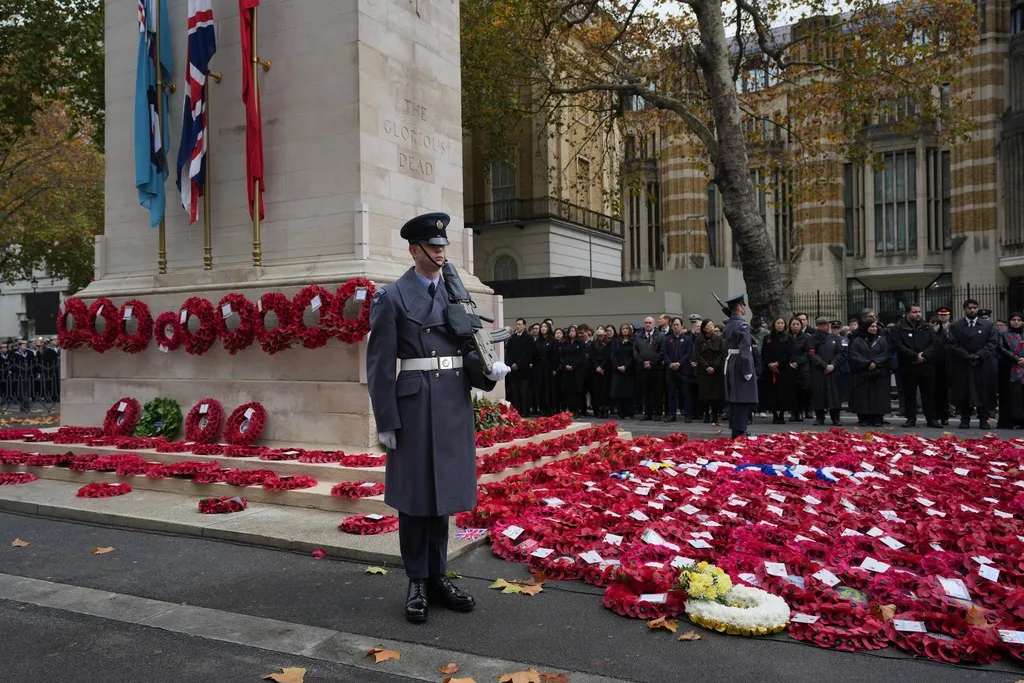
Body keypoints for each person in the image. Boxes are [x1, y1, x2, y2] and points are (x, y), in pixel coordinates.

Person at [366, 212, 509, 624]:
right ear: (415, 250)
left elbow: (468, 348)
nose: (442, 251)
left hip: (450, 403)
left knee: (442, 495)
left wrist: (487, 371)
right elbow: (379, 367)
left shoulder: (454, 295)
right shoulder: (391, 297)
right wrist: (387, 421)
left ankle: (437, 577)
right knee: (415, 501)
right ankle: (416, 580)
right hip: (413, 406)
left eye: (444, 245)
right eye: (434, 245)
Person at [947, 298, 999, 429]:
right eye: (969, 308)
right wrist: (967, 356)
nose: (972, 310)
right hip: (964, 363)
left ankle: (983, 419)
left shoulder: (988, 325)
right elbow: (953, 344)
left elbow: (992, 343)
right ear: (965, 309)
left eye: (975, 307)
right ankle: (965, 419)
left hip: (982, 364)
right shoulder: (956, 326)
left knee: (984, 391)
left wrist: (978, 355)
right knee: (965, 392)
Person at [891, 303, 941, 428]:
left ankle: (931, 418)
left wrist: (923, 356)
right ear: (907, 313)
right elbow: (898, 345)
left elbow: (935, 344)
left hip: (926, 365)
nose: (918, 314)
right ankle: (911, 418)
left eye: (919, 311)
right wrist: (913, 356)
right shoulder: (898, 329)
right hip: (908, 366)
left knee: (928, 394)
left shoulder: (927, 327)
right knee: (909, 394)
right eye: (914, 312)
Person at [721, 294, 758, 438]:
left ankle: (736, 429)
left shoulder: (730, 323)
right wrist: (747, 369)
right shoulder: (741, 324)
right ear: (738, 307)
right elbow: (744, 348)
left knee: (735, 398)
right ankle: (741, 430)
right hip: (741, 362)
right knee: (743, 397)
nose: (744, 308)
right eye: (743, 305)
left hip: (731, 361)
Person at [848, 320, 891, 427]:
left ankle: (877, 418)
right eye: (872, 326)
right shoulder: (857, 341)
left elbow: (886, 353)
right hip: (863, 373)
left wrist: (875, 362)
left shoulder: (882, 340)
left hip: (878, 373)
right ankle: (863, 418)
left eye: (875, 327)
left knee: (878, 396)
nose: (874, 328)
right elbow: (853, 354)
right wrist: (867, 363)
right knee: (862, 396)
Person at [808, 316, 845, 426]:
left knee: (834, 394)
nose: (827, 326)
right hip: (819, 371)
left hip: (833, 370)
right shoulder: (812, 338)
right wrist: (824, 365)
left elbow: (840, 353)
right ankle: (820, 417)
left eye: (828, 324)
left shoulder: (835, 338)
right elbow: (811, 354)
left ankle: (835, 417)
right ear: (818, 326)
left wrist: (832, 365)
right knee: (819, 393)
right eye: (824, 325)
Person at [760, 317, 793, 424]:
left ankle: (782, 414)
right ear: (774, 324)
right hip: (769, 369)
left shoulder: (788, 338)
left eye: (782, 323)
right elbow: (764, 352)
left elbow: (789, 353)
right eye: (778, 323)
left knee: (783, 392)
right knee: (771, 392)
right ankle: (774, 414)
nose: (780, 325)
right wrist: (770, 364)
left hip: (783, 369)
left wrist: (777, 363)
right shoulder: (767, 338)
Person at [633, 316, 665, 421]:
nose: (648, 324)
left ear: (654, 324)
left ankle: (658, 413)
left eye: (650, 323)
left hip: (656, 369)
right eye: (646, 322)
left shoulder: (660, 336)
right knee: (646, 392)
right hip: (643, 369)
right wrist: (643, 362)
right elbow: (635, 351)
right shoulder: (639, 336)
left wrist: (652, 363)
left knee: (657, 392)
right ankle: (648, 413)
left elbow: (661, 351)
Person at [694, 319, 725, 424]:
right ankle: (706, 414)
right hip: (704, 370)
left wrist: (714, 366)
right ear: (704, 328)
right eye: (709, 325)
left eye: (712, 325)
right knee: (704, 394)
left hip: (715, 370)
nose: (711, 327)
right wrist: (706, 366)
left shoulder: (719, 339)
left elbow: (721, 354)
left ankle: (715, 414)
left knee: (715, 394)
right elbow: (697, 355)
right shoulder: (699, 339)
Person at [663, 316, 693, 423]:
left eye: (677, 325)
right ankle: (672, 414)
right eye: (674, 325)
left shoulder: (687, 339)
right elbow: (664, 353)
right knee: (671, 394)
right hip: (671, 370)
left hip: (683, 370)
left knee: (685, 393)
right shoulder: (667, 339)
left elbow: (688, 353)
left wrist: (679, 363)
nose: (676, 327)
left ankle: (688, 415)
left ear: (681, 326)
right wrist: (670, 363)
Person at [504, 318, 533, 418]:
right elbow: (509, 353)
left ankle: (525, 411)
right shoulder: (512, 338)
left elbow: (528, 354)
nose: (518, 326)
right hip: (513, 370)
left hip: (523, 369)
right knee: (514, 392)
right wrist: (511, 363)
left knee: (524, 392)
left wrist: (518, 364)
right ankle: (517, 411)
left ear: (524, 326)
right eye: (517, 324)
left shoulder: (529, 338)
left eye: (520, 324)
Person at [1000, 313, 1024, 428]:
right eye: (1013, 319)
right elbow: (1001, 348)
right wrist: (1017, 359)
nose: (1016, 322)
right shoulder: (1004, 334)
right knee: (1011, 395)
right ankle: (1010, 420)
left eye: (1019, 320)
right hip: (1009, 368)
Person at [785, 318, 810, 422]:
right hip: (788, 367)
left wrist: (797, 363)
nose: (795, 326)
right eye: (793, 324)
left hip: (801, 368)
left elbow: (807, 353)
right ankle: (793, 412)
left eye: (797, 324)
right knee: (790, 391)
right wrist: (789, 363)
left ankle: (800, 411)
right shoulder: (786, 337)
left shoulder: (806, 337)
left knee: (801, 391)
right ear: (790, 325)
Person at [610, 323, 636, 419]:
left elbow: (633, 355)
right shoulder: (616, 341)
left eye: (626, 328)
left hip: (629, 370)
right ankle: (620, 412)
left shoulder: (633, 341)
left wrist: (625, 366)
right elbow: (612, 355)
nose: (624, 330)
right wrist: (617, 366)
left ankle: (629, 412)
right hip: (618, 370)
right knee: (618, 392)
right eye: (623, 329)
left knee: (628, 392)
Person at [560, 325, 587, 418]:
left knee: (577, 391)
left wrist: (573, 365)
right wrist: (565, 365)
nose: (571, 333)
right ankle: (569, 409)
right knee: (568, 391)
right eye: (570, 331)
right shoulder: (565, 343)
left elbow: (581, 356)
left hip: (577, 370)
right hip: (566, 370)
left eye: (573, 331)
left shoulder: (580, 343)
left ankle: (577, 410)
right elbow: (562, 356)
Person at [533, 323, 556, 416]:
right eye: (542, 327)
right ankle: (541, 407)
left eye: (545, 327)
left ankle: (549, 408)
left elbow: (555, 355)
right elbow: (534, 354)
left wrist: (554, 368)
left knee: (548, 387)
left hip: (549, 367)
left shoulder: (552, 341)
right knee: (540, 387)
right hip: (539, 367)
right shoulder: (537, 341)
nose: (543, 329)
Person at [589, 326, 612, 418]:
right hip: (595, 369)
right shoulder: (593, 343)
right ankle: (598, 409)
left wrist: (602, 367)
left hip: (605, 369)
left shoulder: (609, 343)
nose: (600, 337)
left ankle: (605, 409)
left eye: (601, 335)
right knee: (596, 390)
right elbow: (592, 356)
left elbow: (609, 356)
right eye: (598, 335)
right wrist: (597, 367)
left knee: (605, 390)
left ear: (605, 334)